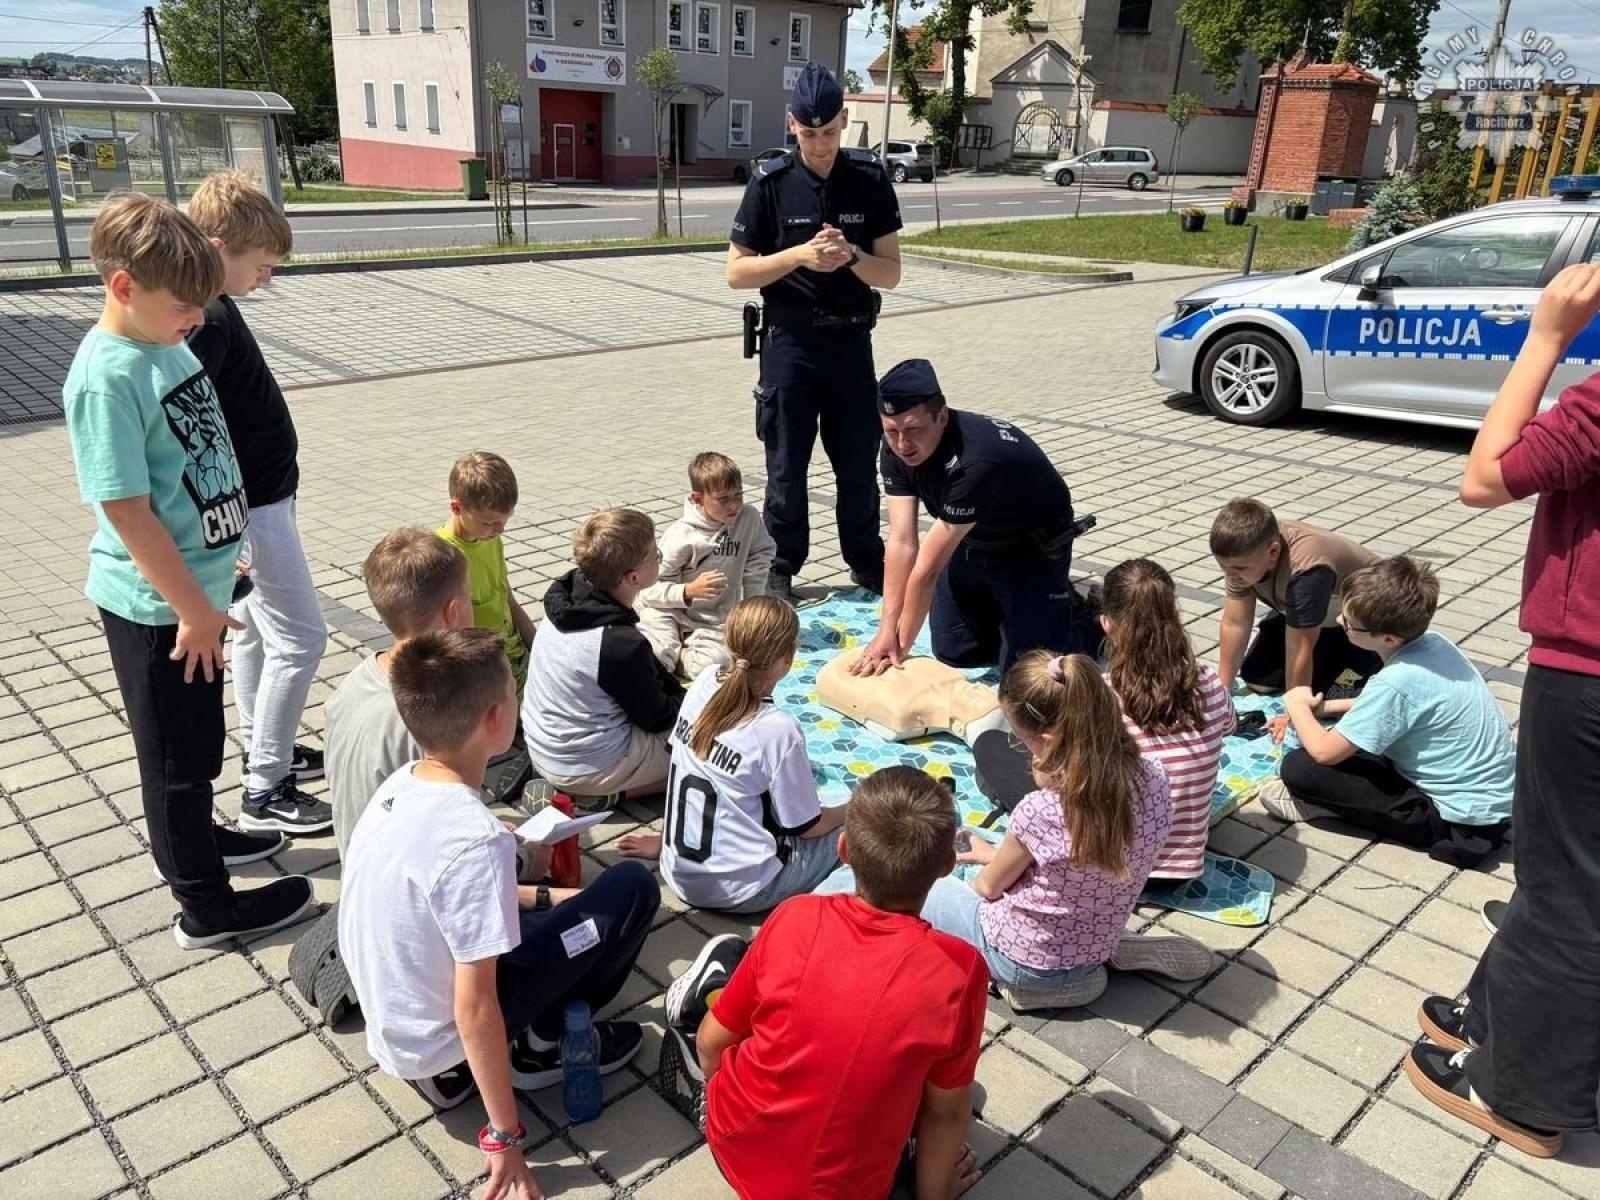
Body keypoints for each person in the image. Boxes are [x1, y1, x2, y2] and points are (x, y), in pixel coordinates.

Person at [63, 193, 314, 949]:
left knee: (198, 748)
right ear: (123, 287)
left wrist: (227, 543)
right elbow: (127, 508)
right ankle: (206, 906)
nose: (197, 321)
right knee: (174, 763)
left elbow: (199, 455)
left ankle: (202, 838)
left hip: (195, 596)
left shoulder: (167, 340)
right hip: (157, 610)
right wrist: (193, 609)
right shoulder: (109, 374)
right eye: (183, 306)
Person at [338, 628, 660, 1199]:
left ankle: (521, 1036)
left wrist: (539, 895)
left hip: (398, 1028)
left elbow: (439, 899)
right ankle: (540, 1041)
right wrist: (505, 1137)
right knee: (631, 888)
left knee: (569, 913)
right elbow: (476, 1004)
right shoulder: (473, 840)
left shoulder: (402, 785)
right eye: (515, 689)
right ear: (494, 718)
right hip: (446, 1053)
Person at [1405, 262, 1600, 1158]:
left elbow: (1486, 477)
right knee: (1569, 873)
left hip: (1588, 672)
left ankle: (1524, 1098)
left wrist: (1547, 334)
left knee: (1567, 889)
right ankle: (1495, 1013)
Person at [827, 654, 1211, 1013]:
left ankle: (1024, 985)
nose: (1022, 750)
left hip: (1026, 960)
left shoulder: (1043, 811)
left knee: (918, 882)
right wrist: (996, 853)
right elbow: (1073, 862)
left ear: (1046, 741)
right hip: (1097, 929)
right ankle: (1104, 951)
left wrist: (981, 865)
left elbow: (987, 889)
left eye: (1020, 740)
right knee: (1057, 885)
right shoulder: (1156, 777)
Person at [690, 766, 988, 1199]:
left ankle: (712, 987)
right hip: (846, 1189)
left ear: (844, 849)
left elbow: (711, 1043)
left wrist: (719, 1100)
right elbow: (945, 1115)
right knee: (957, 1092)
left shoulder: (795, 914)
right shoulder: (959, 970)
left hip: (732, 1142)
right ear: (946, 866)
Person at [186, 170, 332, 835]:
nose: (266, 278)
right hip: (255, 507)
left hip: (262, 501)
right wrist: (232, 530)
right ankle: (266, 788)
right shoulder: (207, 320)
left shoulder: (212, 302)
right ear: (220, 246)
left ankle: (262, 751)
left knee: (259, 637)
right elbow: (193, 436)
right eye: (262, 265)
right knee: (303, 637)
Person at [727, 60, 902, 607]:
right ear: (791, 124)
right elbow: (736, 272)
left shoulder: (869, 179)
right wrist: (800, 255)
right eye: (809, 133)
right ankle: (782, 564)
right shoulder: (771, 182)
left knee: (857, 462)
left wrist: (851, 255)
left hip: (850, 344)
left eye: (829, 132)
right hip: (790, 346)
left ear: (845, 120)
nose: (821, 145)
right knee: (786, 468)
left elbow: (891, 272)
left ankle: (865, 559)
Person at [972, 559, 1235, 883]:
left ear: (1106, 623)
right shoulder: (1208, 681)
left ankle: (1016, 852)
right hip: (1185, 866)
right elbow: (1229, 726)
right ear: (1174, 617)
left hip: (1116, 868)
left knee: (992, 747)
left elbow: (1060, 776)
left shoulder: (1103, 696)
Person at [1257, 556, 1513, 868]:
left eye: (1349, 622)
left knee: (1300, 767)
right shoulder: (1435, 643)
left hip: (1457, 823)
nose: (1339, 622)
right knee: (1355, 744)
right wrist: (1323, 708)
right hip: (1496, 800)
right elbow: (1398, 707)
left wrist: (1297, 705)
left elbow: (1324, 753)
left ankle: (1336, 808)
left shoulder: (1396, 682)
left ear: (1388, 638)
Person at [855, 358, 1084, 677]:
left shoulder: (974, 463)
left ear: (942, 416)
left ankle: (1076, 616)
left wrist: (898, 650)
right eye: (891, 431)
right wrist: (886, 629)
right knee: (955, 650)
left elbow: (927, 569)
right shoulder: (895, 447)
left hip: (1029, 549)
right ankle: (1010, 618)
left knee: (1028, 675)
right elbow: (902, 541)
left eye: (913, 429)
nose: (902, 444)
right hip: (973, 540)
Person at [619, 596, 846, 912]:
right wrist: (851, 809)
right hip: (744, 890)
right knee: (863, 831)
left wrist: (665, 842)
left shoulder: (702, 682)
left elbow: (686, 769)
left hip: (679, 871)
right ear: (789, 656)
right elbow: (808, 826)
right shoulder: (778, 729)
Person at [325, 527, 473, 860]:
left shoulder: (353, 685)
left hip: (361, 868)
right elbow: (438, 852)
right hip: (401, 886)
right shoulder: (431, 712)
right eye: (470, 597)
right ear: (453, 611)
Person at [521, 508, 684, 799]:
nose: (659, 556)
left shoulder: (567, 595)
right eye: (654, 555)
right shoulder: (617, 644)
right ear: (633, 578)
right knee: (711, 752)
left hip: (541, 745)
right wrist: (687, 703)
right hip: (584, 766)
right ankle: (607, 796)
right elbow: (657, 718)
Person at [1212, 498, 1382, 700]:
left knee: (1323, 694)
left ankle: (1375, 662)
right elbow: (1235, 623)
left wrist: (1293, 711)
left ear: (1273, 552)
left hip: (1365, 626)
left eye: (1239, 568)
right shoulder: (1247, 555)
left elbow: (1301, 647)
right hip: (1314, 614)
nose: (1230, 575)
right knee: (1257, 678)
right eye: (1223, 566)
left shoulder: (1308, 570)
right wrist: (1222, 691)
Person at [636, 451, 776, 679]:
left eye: (738, 495)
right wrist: (688, 591)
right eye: (723, 499)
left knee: (721, 663)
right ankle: (673, 654)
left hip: (714, 619)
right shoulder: (681, 535)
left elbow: (761, 552)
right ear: (698, 499)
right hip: (667, 610)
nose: (734, 505)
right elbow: (648, 588)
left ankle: (683, 657)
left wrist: (751, 604)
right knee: (657, 656)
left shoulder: (748, 518)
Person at [437, 451, 535, 694]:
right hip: (483, 672)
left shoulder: (489, 538)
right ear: (457, 507)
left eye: (506, 520)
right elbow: (445, 637)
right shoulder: (443, 557)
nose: (500, 530)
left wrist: (539, 645)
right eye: (489, 522)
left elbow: (507, 599)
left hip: (514, 655)